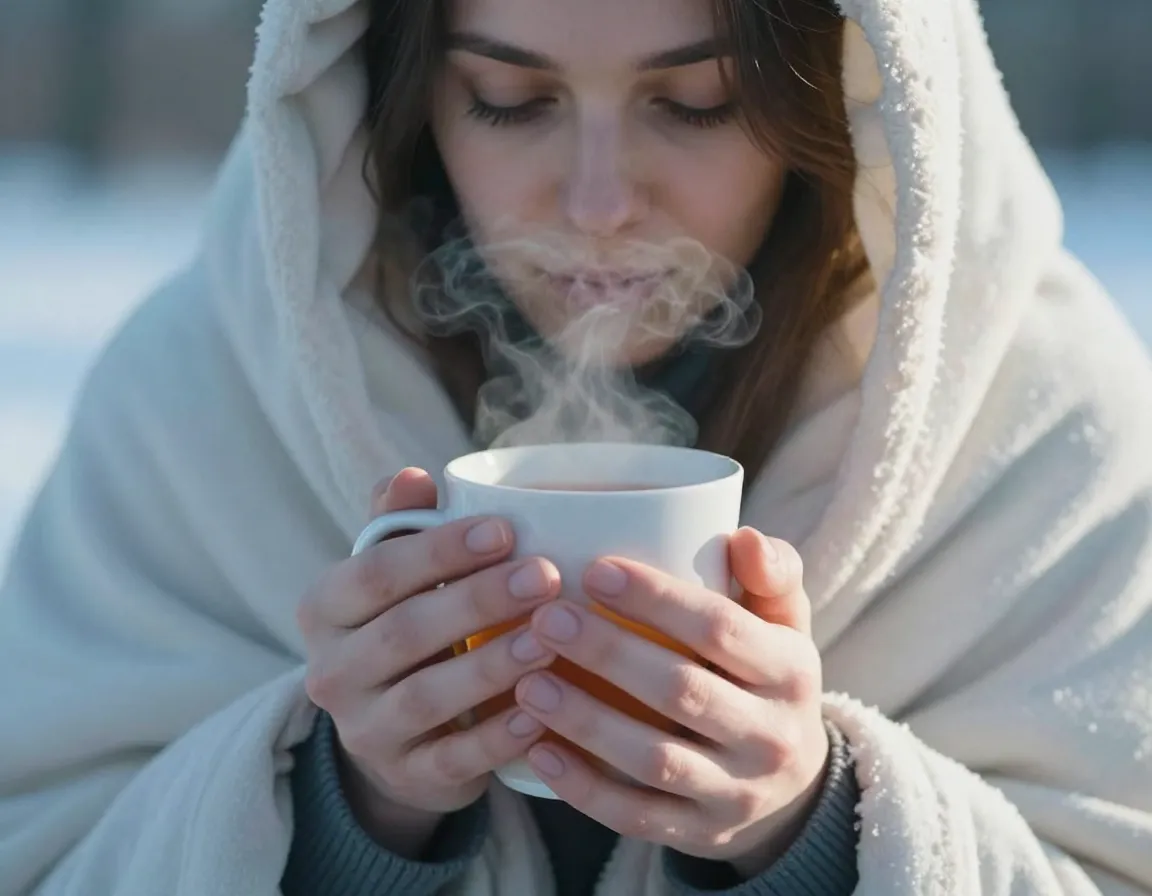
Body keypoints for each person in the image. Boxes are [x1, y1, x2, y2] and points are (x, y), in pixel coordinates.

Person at [1, 0, 1150, 893]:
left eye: (696, 100)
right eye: (509, 98)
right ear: (402, 89)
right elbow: (40, 849)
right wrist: (345, 804)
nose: (599, 202)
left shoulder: (1050, 421)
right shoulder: (198, 391)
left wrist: (815, 825)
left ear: (844, 85)